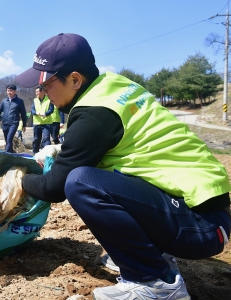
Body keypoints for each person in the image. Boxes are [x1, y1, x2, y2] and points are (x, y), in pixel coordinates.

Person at [15, 33, 230, 299]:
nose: (44, 94)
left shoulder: (94, 113)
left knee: (80, 182)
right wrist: (60, 149)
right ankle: (151, 256)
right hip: (208, 212)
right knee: (99, 175)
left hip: (201, 228)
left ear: (74, 79)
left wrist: (18, 180)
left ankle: (154, 281)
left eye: (47, 85)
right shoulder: (112, 86)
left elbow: (54, 187)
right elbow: (113, 142)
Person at [0, 84, 27, 153]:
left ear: (15, 91)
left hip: (14, 123)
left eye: (11, 91)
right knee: (7, 140)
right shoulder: (4, 101)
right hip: (5, 123)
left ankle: (6, 154)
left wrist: (24, 125)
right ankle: (11, 153)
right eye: (8, 91)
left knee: (9, 138)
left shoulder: (19, 101)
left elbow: (23, 113)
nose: (9, 92)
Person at [30, 87, 53, 154]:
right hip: (37, 123)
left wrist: (45, 114)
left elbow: (51, 110)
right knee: (36, 139)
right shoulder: (35, 100)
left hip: (46, 123)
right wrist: (36, 113)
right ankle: (35, 153)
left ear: (42, 92)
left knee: (46, 138)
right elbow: (32, 110)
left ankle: (46, 153)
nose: (36, 93)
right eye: (36, 92)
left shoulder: (49, 99)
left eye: (37, 92)